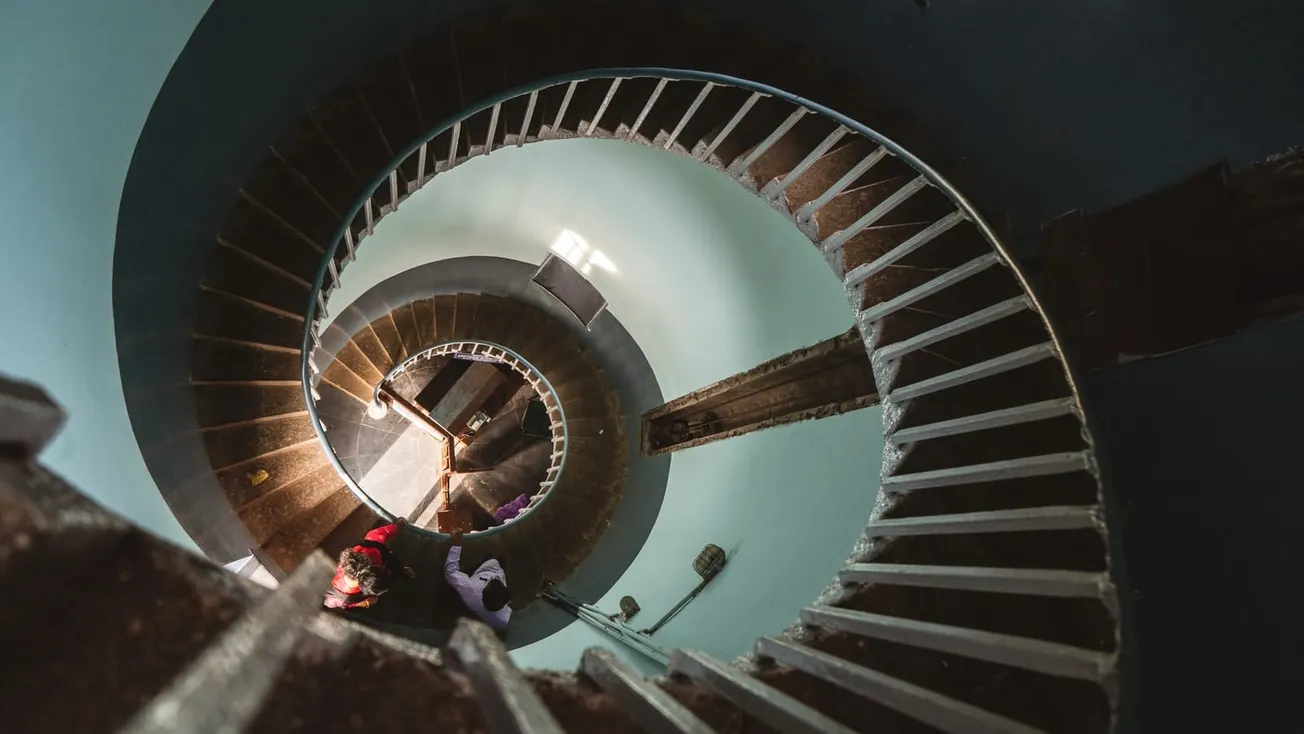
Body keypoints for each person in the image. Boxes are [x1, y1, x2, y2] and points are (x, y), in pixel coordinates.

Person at [324, 517, 416, 610]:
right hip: (384, 563)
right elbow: (383, 532)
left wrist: (366, 603)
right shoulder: (371, 548)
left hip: (353, 596)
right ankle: (403, 572)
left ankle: (402, 572)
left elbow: (340, 603)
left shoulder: (344, 597)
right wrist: (398, 526)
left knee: (330, 602)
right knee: (393, 566)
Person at [443, 533, 511, 631]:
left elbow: (451, 571)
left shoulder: (470, 589)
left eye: (490, 582)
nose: (493, 578)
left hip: (482, 570)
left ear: (484, 590)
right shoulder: (502, 620)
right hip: (495, 567)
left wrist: (456, 546)